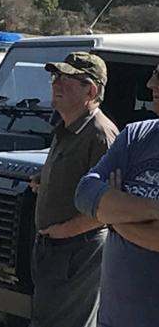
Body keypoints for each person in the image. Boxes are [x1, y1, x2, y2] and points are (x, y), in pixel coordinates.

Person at [29, 52, 118, 327]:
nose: (56, 84)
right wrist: (44, 180)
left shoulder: (101, 134)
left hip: (78, 251)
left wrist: (63, 231)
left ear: (90, 90)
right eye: (56, 77)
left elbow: (109, 208)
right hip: (52, 249)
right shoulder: (67, 127)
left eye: (68, 80)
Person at [75, 65, 159, 327]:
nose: (150, 83)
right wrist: (153, 209)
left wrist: (114, 215)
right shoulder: (137, 135)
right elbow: (86, 193)